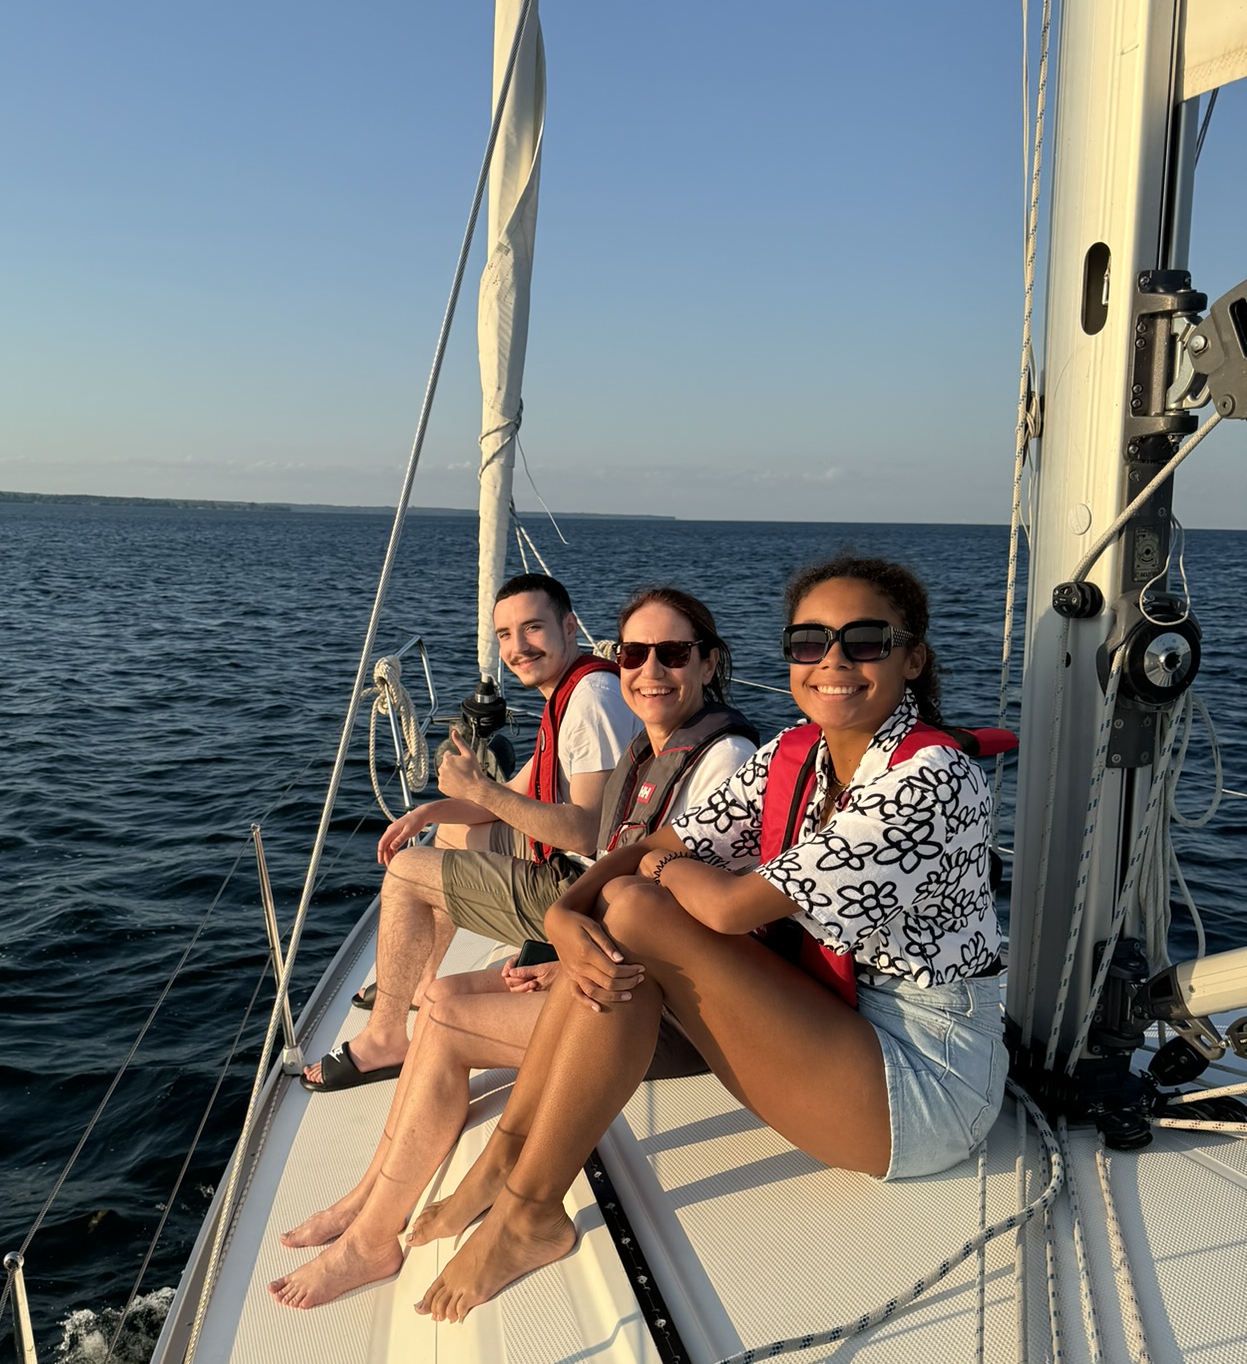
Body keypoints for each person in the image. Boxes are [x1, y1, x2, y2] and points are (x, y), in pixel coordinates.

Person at [411, 554, 1009, 1323]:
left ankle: (527, 1209)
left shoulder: (932, 779)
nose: (833, 662)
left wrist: (646, 874)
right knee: (616, 933)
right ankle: (512, 1162)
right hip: (841, 1025)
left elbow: (725, 906)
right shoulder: (801, 751)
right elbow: (667, 839)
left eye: (864, 640)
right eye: (809, 642)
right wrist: (567, 915)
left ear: (912, 658)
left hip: (928, 1085)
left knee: (629, 913)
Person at [271, 587, 758, 1306]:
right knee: (441, 994)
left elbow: (691, 915)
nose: (649, 670)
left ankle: (373, 1237)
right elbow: (628, 883)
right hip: (616, 972)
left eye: (673, 654)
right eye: (634, 654)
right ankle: (368, 1193)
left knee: (442, 1020)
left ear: (710, 662)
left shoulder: (724, 763)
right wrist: (560, 954)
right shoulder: (646, 751)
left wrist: (567, 950)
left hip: (658, 1013)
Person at [302, 573, 639, 1090]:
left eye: (532, 628)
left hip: (586, 893)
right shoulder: (570, 691)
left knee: (409, 871)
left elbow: (586, 833)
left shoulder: (593, 700)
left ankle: (385, 1041)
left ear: (570, 627)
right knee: (445, 839)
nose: (518, 647)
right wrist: (431, 813)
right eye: (505, 634)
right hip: (578, 870)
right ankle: (417, 982)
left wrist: (481, 790)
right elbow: (519, 794)